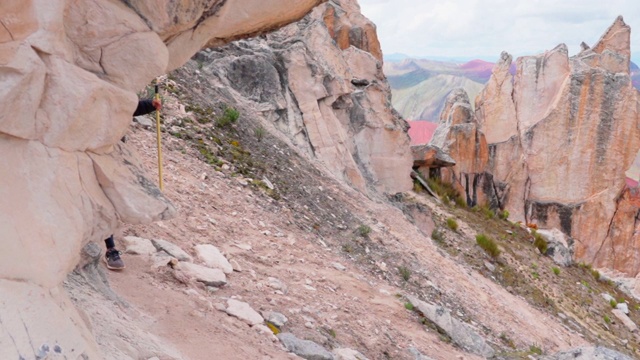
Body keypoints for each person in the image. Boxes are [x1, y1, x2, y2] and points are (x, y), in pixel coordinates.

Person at [104, 97, 162, 270]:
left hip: (112, 153)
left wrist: (149, 105)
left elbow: (126, 104)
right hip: (84, 149)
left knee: (107, 197)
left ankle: (110, 247)